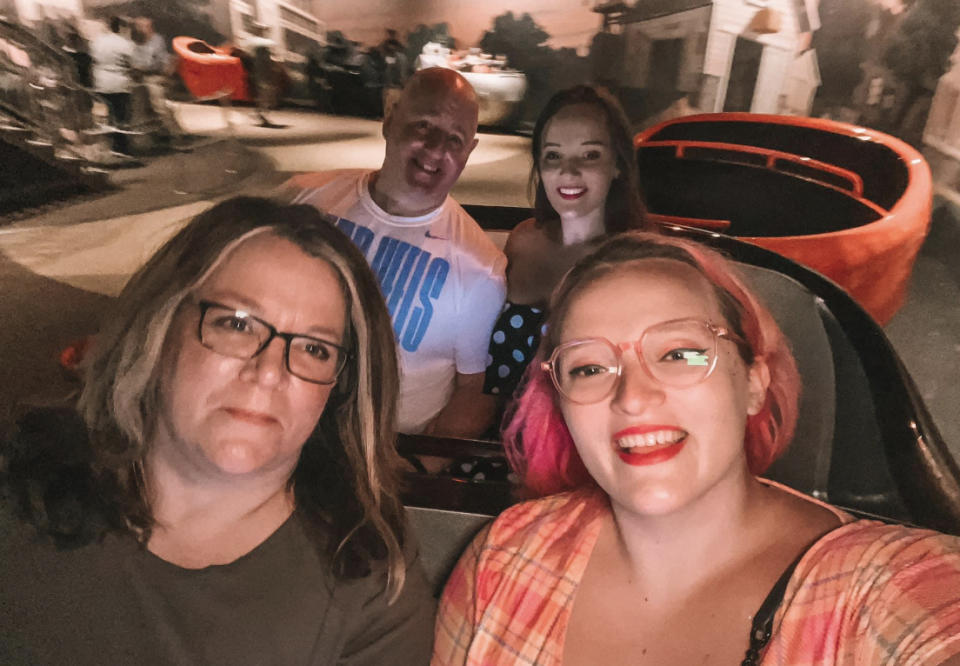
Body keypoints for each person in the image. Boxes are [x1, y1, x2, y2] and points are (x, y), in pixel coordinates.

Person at [434, 231, 960, 665]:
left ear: (754, 381)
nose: (634, 398)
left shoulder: (886, 593)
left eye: (680, 352)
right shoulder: (503, 561)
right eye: (589, 368)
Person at [0, 197, 435, 664]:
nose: (269, 371)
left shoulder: (370, 578)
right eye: (237, 324)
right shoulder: (21, 486)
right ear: (160, 326)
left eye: (315, 348)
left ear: (338, 388)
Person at [285, 67, 506, 441]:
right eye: (423, 126)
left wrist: (416, 471)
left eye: (455, 139)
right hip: (282, 429)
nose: (436, 149)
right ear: (390, 118)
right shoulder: (302, 200)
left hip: (381, 456)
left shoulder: (479, 269)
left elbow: (476, 393)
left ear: (470, 151)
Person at [483, 85, 650, 401]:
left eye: (589, 155)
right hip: (488, 436)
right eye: (553, 155)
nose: (567, 171)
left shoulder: (637, 262)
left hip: (577, 445)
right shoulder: (522, 241)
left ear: (618, 164)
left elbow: (689, 354)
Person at [130, 16, 183, 145]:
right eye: (138, 26)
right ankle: (160, 134)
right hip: (141, 77)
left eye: (143, 26)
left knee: (160, 108)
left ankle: (176, 136)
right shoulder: (136, 40)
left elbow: (158, 61)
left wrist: (165, 71)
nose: (140, 28)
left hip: (154, 77)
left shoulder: (156, 40)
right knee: (145, 108)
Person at [89, 15, 135, 155]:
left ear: (107, 26)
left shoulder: (96, 42)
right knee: (121, 116)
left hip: (102, 82)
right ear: (119, 27)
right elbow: (131, 63)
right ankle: (121, 147)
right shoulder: (124, 43)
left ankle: (109, 145)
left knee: (107, 115)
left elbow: (93, 60)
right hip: (119, 83)